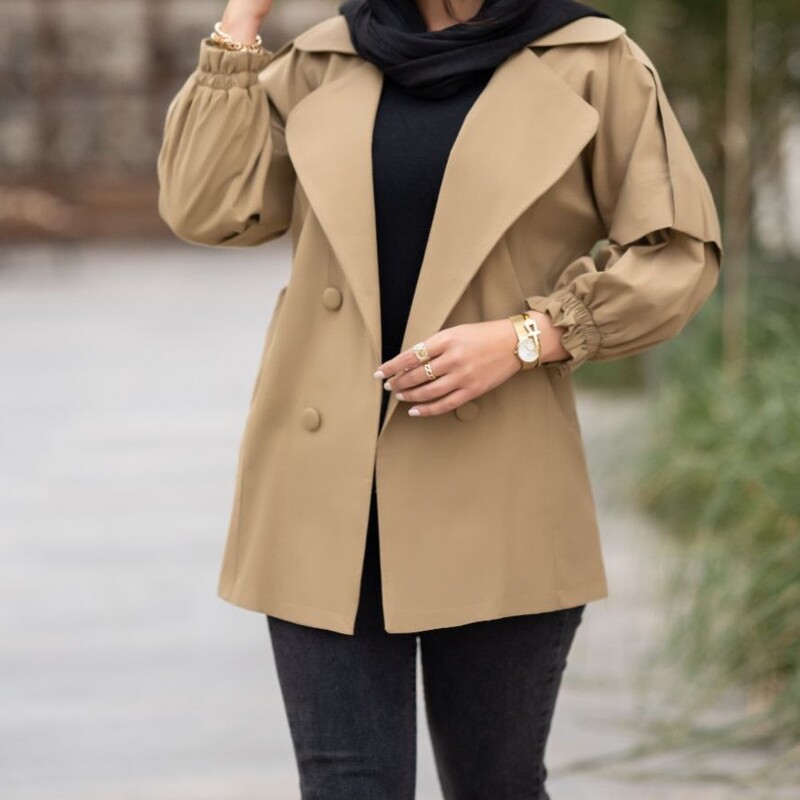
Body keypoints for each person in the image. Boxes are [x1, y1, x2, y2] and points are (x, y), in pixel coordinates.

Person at [157, 0, 722, 796]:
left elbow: (677, 253)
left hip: (497, 480)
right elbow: (207, 207)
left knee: (494, 783)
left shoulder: (593, 60)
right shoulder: (325, 59)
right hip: (324, 489)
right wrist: (242, 20)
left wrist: (532, 336)